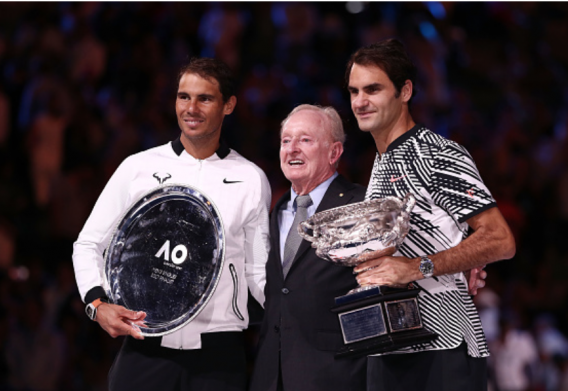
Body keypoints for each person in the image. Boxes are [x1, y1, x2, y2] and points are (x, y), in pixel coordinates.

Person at [72, 57, 271, 391]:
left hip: (218, 358)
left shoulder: (250, 178)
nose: (191, 108)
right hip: (144, 349)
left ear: (229, 105)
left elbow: (258, 272)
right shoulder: (137, 167)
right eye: (183, 96)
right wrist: (97, 305)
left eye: (204, 98)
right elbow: (89, 244)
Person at [346, 38, 516, 391]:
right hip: (391, 344)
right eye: (354, 91)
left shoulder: (436, 153)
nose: (360, 101)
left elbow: (500, 239)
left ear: (405, 91)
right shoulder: (380, 162)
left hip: (442, 345)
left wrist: (417, 267)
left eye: (373, 89)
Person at [249, 104, 368, 391]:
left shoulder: (360, 206)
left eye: (305, 140)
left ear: (334, 152)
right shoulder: (273, 212)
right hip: (269, 376)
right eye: (286, 141)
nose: (292, 149)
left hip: (335, 375)